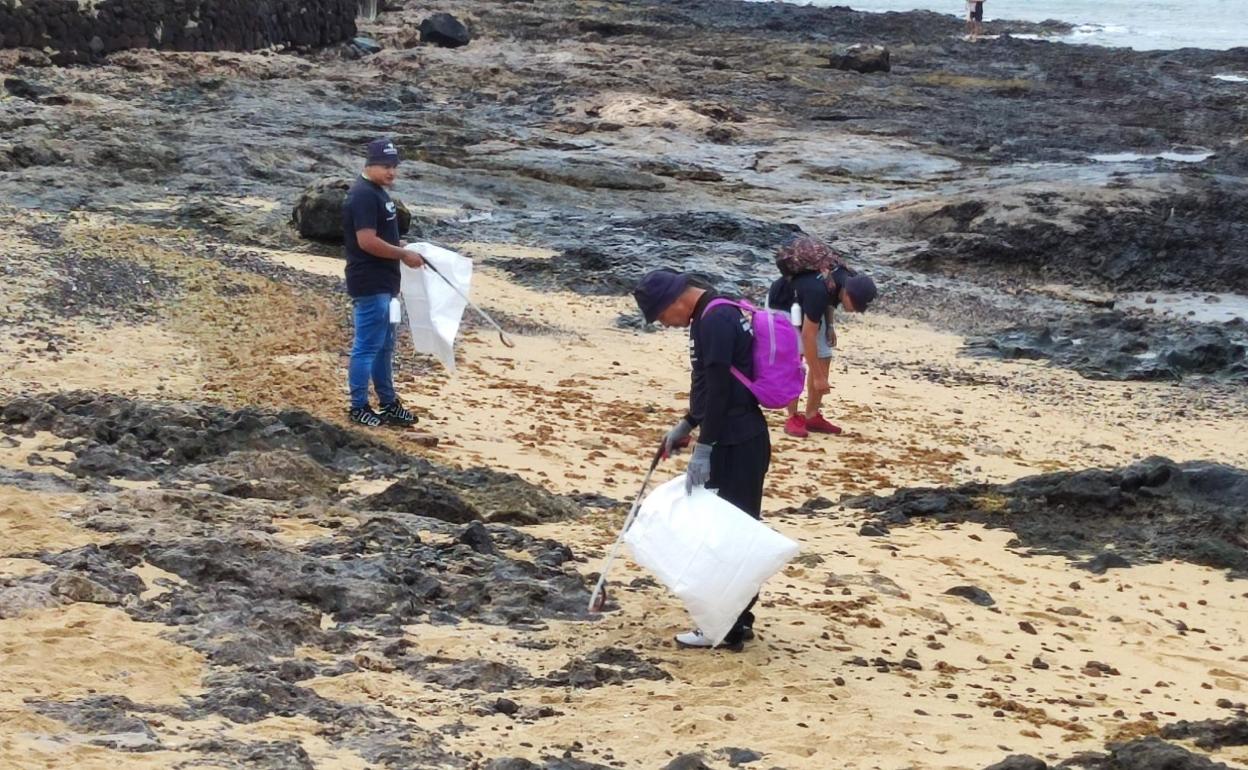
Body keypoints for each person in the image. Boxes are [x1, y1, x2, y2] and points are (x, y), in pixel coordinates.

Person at [634, 269, 771, 651]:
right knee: (729, 532)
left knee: (729, 536)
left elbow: (721, 390)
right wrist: (687, 424)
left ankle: (726, 628)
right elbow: (709, 385)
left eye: (661, 317)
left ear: (674, 301)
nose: (665, 324)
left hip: (736, 441)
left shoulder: (713, 320)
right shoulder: (716, 311)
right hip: (738, 436)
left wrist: (705, 447)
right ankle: (735, 621)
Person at [343, 138, 424, 428]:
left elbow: (380, 236)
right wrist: (403, 253)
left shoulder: (378, 193)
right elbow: (366, 242)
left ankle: (389, 404)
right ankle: (358, 406)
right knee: (367, 345)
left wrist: (404, 247)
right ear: (369, 164)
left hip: (388, 284)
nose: (391, 172)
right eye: (385, 166)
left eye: (394, 167)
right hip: (370, 283)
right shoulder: (363, 195)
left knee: (386, 344)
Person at [767, 263, 877, 438]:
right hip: (785, 303)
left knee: (824, 356)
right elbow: (807, 336)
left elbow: (831, 300)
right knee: (796, 359)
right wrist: (818, 377)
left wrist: (830, 326)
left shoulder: (847, 277)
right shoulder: (818, 292)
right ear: (848, 294)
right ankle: (792, 417)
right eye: (856, 305)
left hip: (810, 304)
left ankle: (811, 416)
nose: (856, 311)